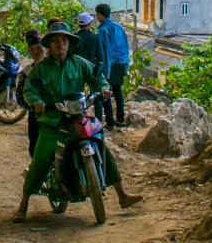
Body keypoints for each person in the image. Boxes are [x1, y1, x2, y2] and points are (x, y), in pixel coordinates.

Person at [13, 22, 141, 220]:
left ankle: (122, 195)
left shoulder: (79, 63)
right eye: (55, 41)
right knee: (40, 159)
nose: (59, 45)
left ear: (69, 43)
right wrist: (37, 103)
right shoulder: (41, 69)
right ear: (50, 45)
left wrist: (104, 88)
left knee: (102, 146)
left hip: (78, 116)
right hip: (53, 121)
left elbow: (97, 78)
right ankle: (23, 206)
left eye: (63, 40)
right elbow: (30, 90)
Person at [96, 2, 132, 127]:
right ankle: (120, 119)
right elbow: (126, 46)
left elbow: (105, 51)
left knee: (106, 92)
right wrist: (126, 64)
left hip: (110, 64)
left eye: (97, 14)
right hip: (121, 62)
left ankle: (110, 122)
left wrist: (105, 70)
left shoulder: (102, 30)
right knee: (117, 91)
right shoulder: (118, 26)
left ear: (100, 15)